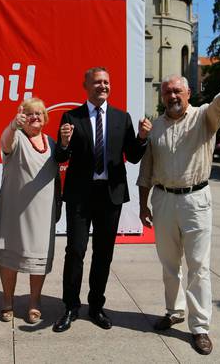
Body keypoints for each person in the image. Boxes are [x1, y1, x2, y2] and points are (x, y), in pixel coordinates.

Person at [137, 47, 220, 355]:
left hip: (196, 199)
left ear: (188, 93)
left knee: (199, 266)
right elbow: (147, 169)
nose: (173, 96)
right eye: (167, 91)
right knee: (169, 264)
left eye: (178, 91)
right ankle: (174, 311)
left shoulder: (204, 117)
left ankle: (200, 327)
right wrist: (144, 203)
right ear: (162, 96)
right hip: (163, 201)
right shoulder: (155, 125)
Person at [52, 67, 151, 332]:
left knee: (103, 253)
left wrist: (142, 138)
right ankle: (70, 307)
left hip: (110, 195)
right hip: (80, 196)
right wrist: (62, 144)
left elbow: (133, 154)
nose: (103, 86)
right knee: (75, 251)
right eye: (97, 82)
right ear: (86, 85)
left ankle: (96, 306)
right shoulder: (72, 116)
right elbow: (62, 158)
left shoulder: (121, 118)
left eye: (106, 82)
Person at [0, 98, 59, 324]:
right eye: (30, 113)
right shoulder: (16, 137)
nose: (35, 116)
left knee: (38, 260)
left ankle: (34, 302)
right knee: (10, 258)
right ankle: (7, 301)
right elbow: (5, 143)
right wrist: (12, 125)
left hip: (43, 213)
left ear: (45, 118)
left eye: (39, 113)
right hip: (13, 213)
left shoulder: (52, 143)